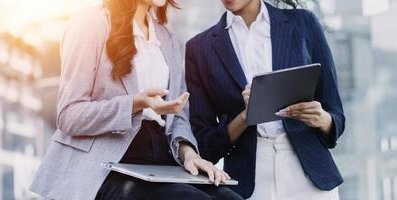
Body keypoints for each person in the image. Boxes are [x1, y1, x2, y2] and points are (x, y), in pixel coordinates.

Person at [29, 0, 243, 199]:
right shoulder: (90, 24)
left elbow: (179, 116)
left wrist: (189, 154)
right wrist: (135, 104)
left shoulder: (168, 39)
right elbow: (69, 116)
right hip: (106, 166)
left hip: (161, 161)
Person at [185, 0, 346, 199]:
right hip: (248, 181)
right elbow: (205, 145)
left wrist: (322, 119)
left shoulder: (305, 24)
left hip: (311, 176)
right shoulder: (199, 48)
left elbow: (336, 115)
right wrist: (246, 116)